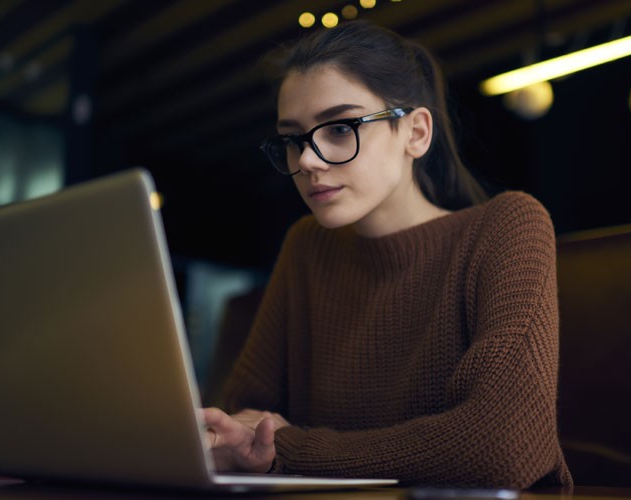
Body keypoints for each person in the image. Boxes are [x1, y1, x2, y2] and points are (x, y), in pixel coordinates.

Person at [202, 19, 573, 489]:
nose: (309, 160)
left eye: (339, 128)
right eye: (294, 139)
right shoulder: (307, 246)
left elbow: (503, 445)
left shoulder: (506, 225)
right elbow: (240, 430)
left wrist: (288, 449)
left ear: (415, 133)